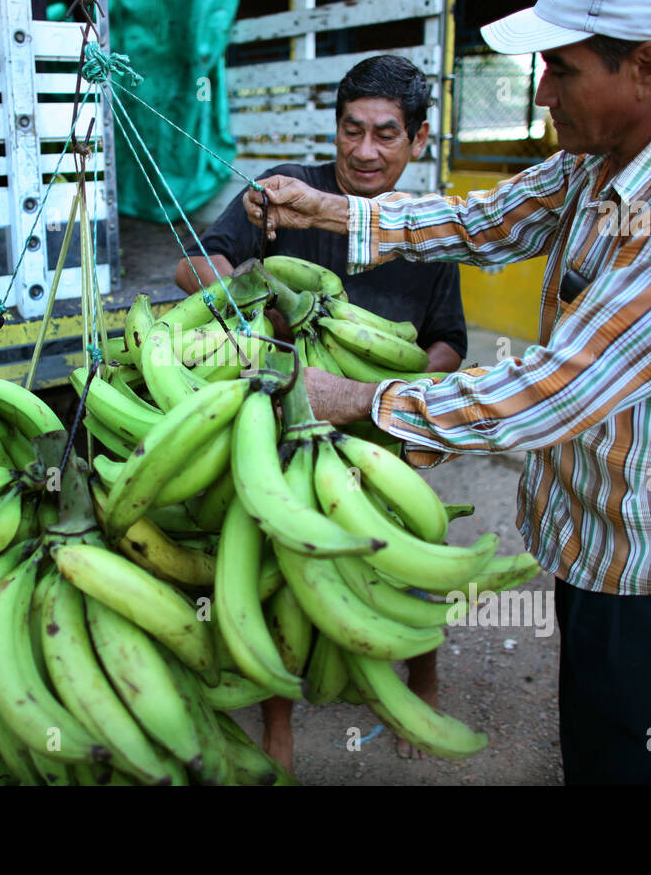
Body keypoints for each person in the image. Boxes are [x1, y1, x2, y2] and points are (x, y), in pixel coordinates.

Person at [244, 0, 651, 786]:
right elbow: (485, 222)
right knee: (601, 756)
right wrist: (327, 209)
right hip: (605, 548)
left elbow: (557, 388)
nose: (543, 91)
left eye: (562, 69)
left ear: (646, 67)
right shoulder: (604, 158)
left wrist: (359, 399)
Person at [177, 55, 467, 769]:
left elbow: (448, 343)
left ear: (418, 141)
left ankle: (420, 683)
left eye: (386, 135)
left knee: (406, 555)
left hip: (379, 422)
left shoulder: (429, 229)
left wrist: (393, 400)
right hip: (284, 410)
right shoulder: (284, 194)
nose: (365, 151)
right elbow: (195, 266)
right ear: (335, 130)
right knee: (281, 554)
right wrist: (248, 296)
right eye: (352, 130)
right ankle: (278, 715)